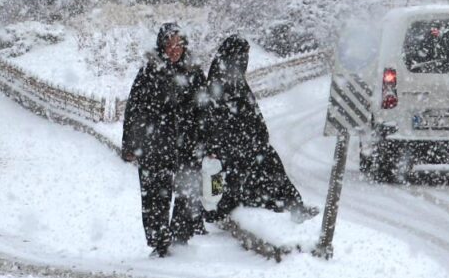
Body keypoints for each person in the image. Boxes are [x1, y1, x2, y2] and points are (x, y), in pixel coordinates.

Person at [201, 35, 318, 224]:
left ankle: (291, 206)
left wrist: (258, 136)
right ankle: (285, 207)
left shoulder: (235, 81)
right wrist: (232, 144)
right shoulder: (220, 84)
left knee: (269, 169)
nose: (244, 60)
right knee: (246, 178)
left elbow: (249, 114)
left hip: (246, 145)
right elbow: (216, 121)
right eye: (241, 56)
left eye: (245, 55)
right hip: (232, 149)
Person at [122, 22, 208, 258]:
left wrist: (207, 139)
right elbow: (134, 109)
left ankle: (180, 238)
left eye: (178, 44)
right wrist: (131, 144)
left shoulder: (193, 72)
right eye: (169, 44)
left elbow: (205, 108)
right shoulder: (149, 72)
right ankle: (160, 242)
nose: (174, 49)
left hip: (187, 142)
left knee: (187, 190)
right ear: (161, 46)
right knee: (154, 194)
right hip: (155, 144)